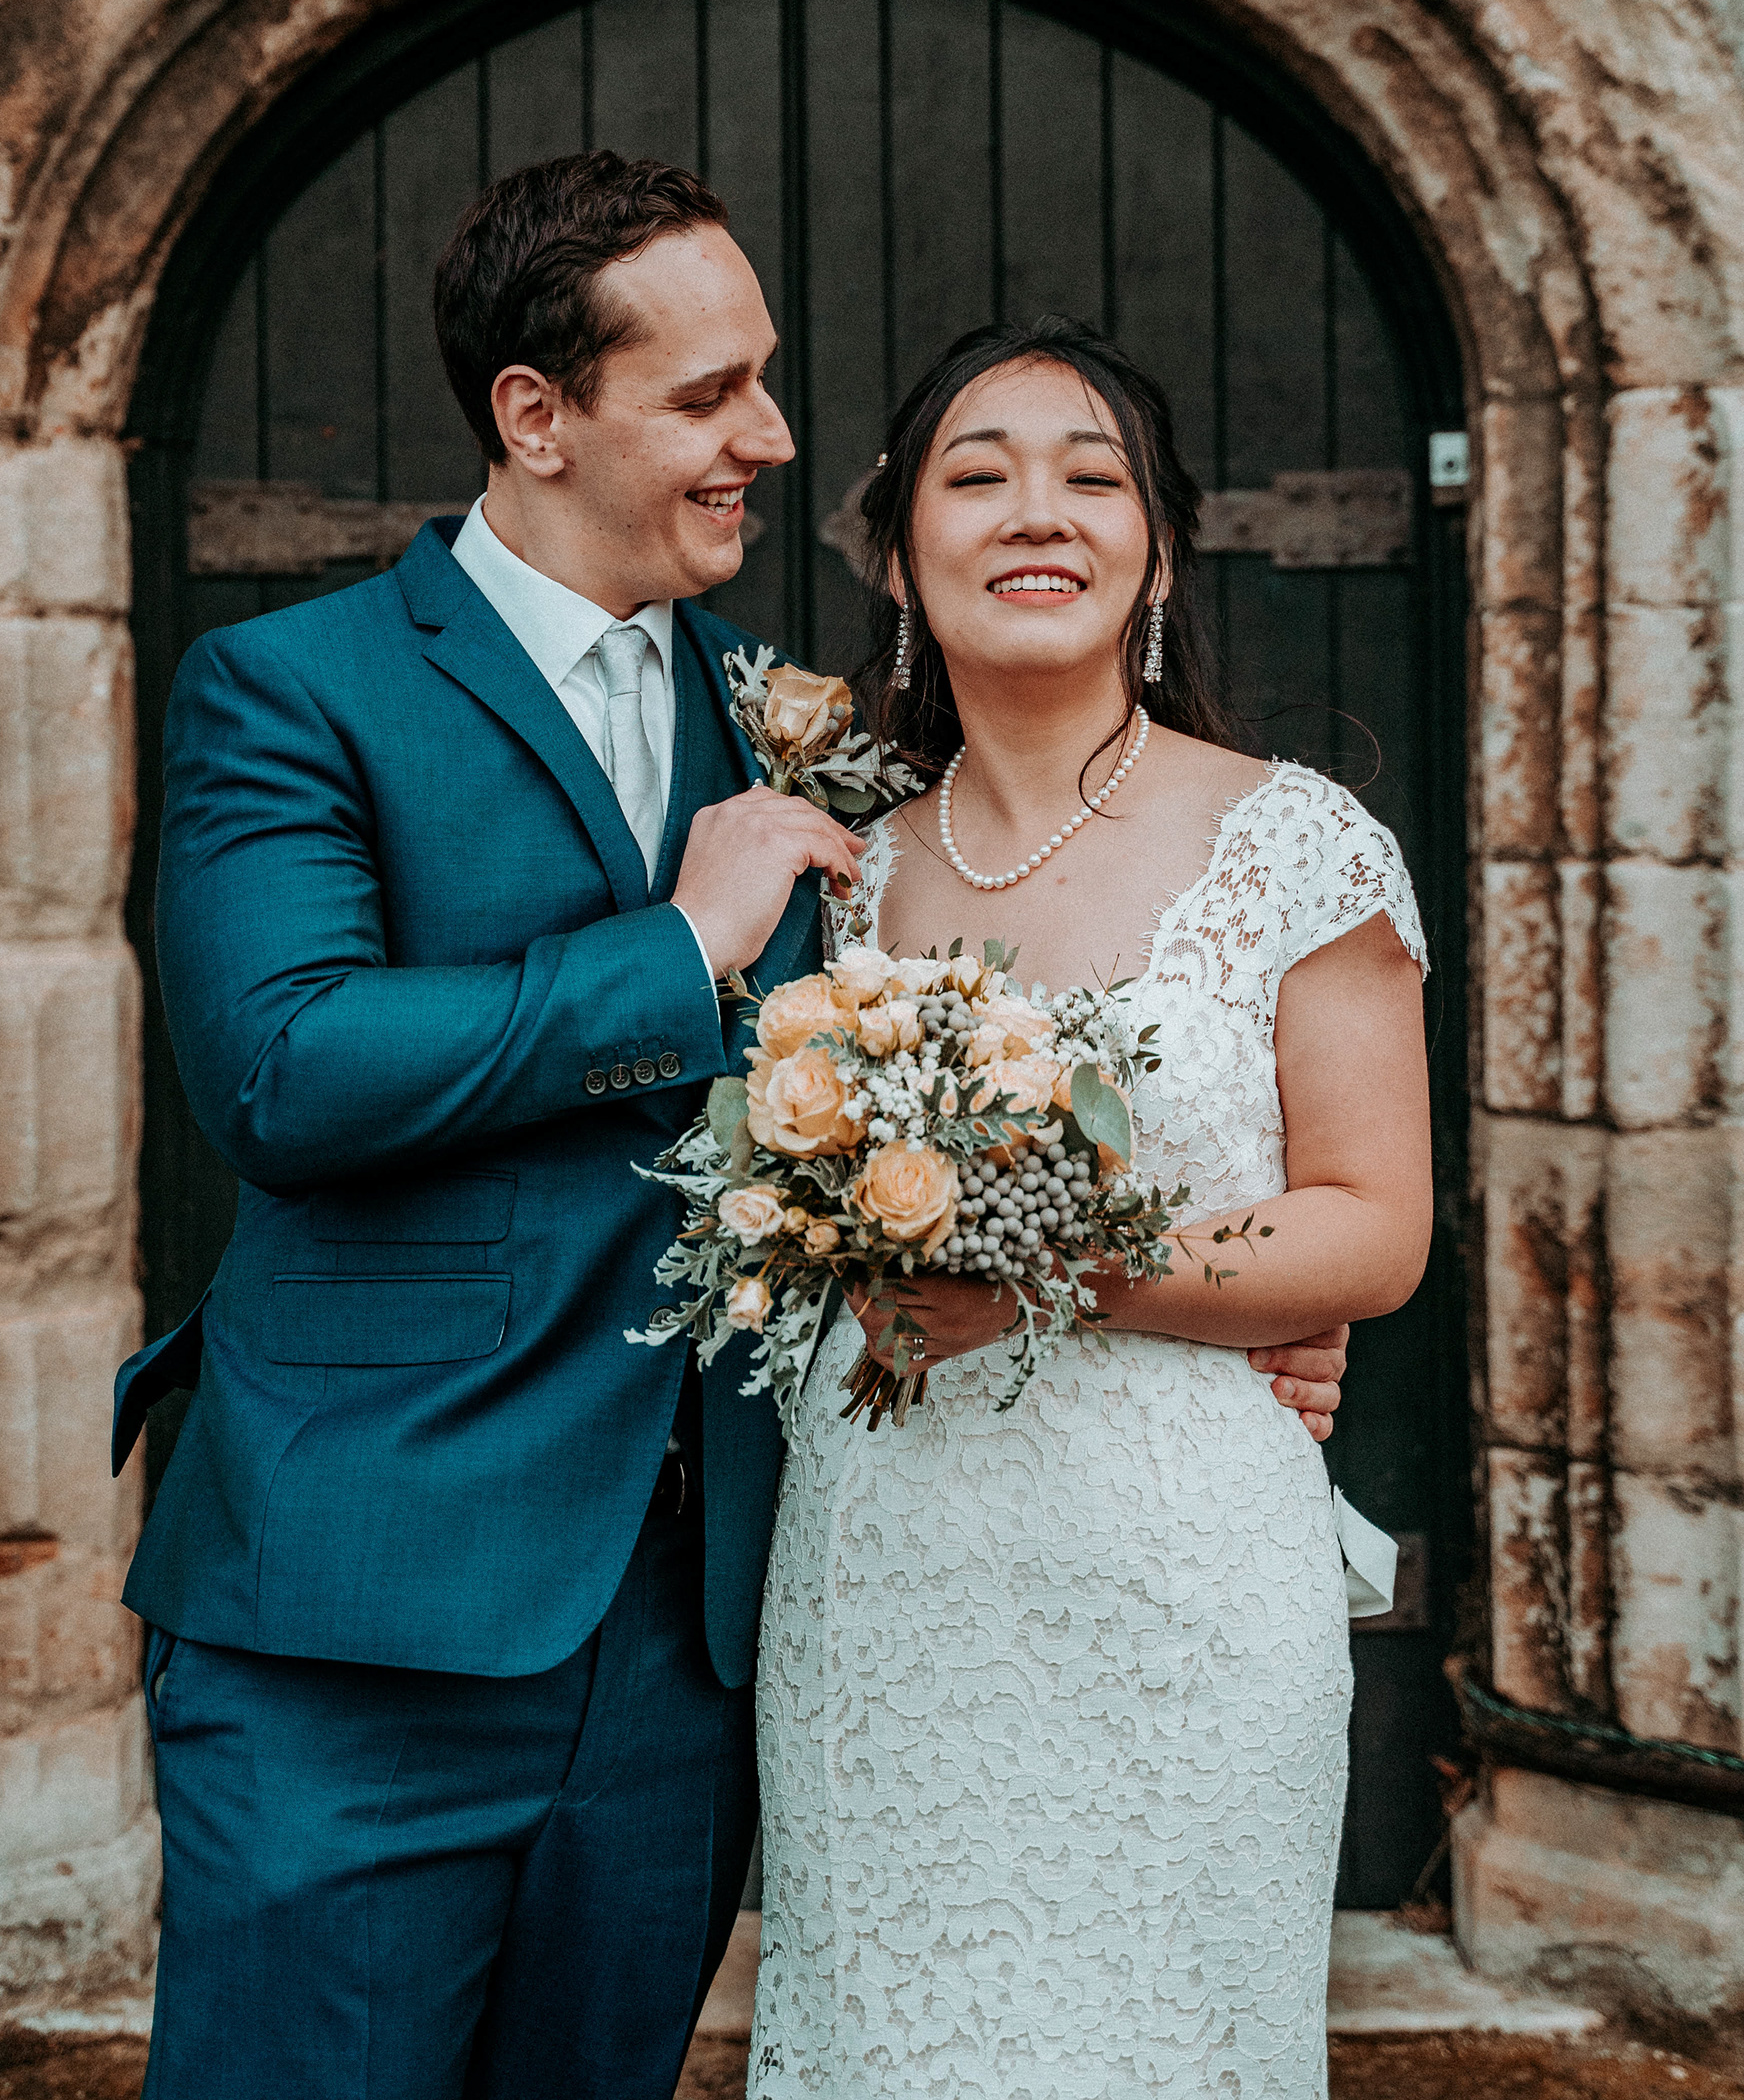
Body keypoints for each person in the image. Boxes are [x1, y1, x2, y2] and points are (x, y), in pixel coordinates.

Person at [109, 156, 1348, 2098]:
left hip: (697, 1642)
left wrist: (1216, 1307)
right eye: (710, 395)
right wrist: (676, 950)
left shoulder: (791, 733)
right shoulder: (294, 687)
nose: (770, 435)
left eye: (764, 381)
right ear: (536, 416)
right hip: (372, 1613)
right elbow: (282, 1067)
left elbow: (978, 1092)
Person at [751, 318, 1433, 2100]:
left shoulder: (1299, 843)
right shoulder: (835, 868)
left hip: (1183, 1591)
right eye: (975, 477)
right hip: (884, 1582)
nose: (1033, 512)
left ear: (1158, 552)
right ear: (898, 557)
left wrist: (1051, 1272)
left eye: (1090, 474)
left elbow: (1374, 1228)